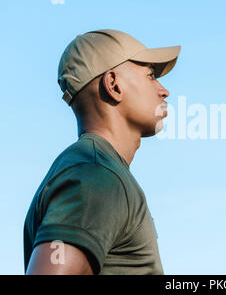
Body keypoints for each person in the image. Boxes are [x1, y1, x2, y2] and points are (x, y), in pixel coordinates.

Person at [23, 29, 181, 275]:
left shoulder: (96, 168)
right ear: (113, 85)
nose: (163, 90)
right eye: (150, 75)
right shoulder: (96, 175)